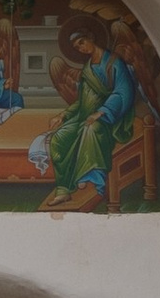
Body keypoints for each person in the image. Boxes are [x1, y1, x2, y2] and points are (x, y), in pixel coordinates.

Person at [31, 12, 144, 212]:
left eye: (82, 43)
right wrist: (64, 115)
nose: (81, 48)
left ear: (91, 38)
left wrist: (101, 112)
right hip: (84, 117)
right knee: (59, 138)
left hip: (111, 119)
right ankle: (64, 189)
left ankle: (91, 179)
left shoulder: (113, 63)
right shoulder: (87, 70)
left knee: (90, 130)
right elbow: (82, 101)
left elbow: (123, 91)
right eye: (77, 47)